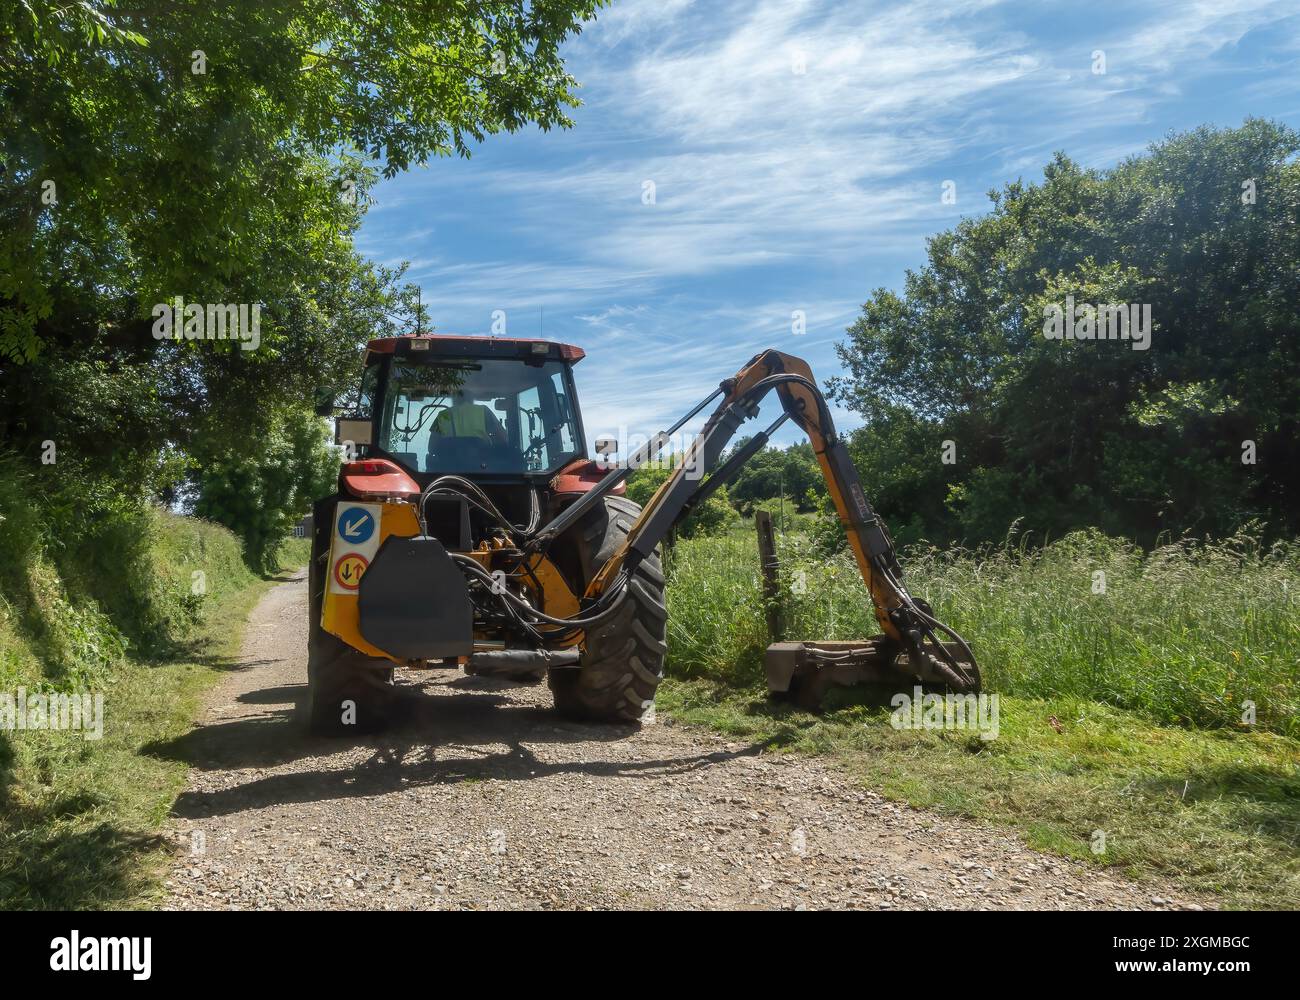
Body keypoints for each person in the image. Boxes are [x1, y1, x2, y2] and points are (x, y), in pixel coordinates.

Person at [430, 393, 508, 445]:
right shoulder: (483, 411)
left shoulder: (443, 414)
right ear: (471, 398)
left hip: (449, 466)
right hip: (482, 465)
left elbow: (432, 447)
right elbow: (504, 439)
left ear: (454, 398)